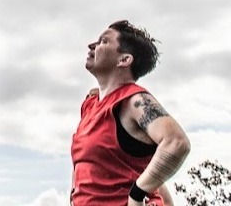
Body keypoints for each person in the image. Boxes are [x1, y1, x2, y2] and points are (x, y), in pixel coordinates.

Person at [71, 20, 190, 206]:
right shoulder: (90, 105)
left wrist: (136, 196)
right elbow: (142, 170)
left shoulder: (133, 101)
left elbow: (176, 142)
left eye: (103, 41)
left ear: (124, 60)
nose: (92, 45)